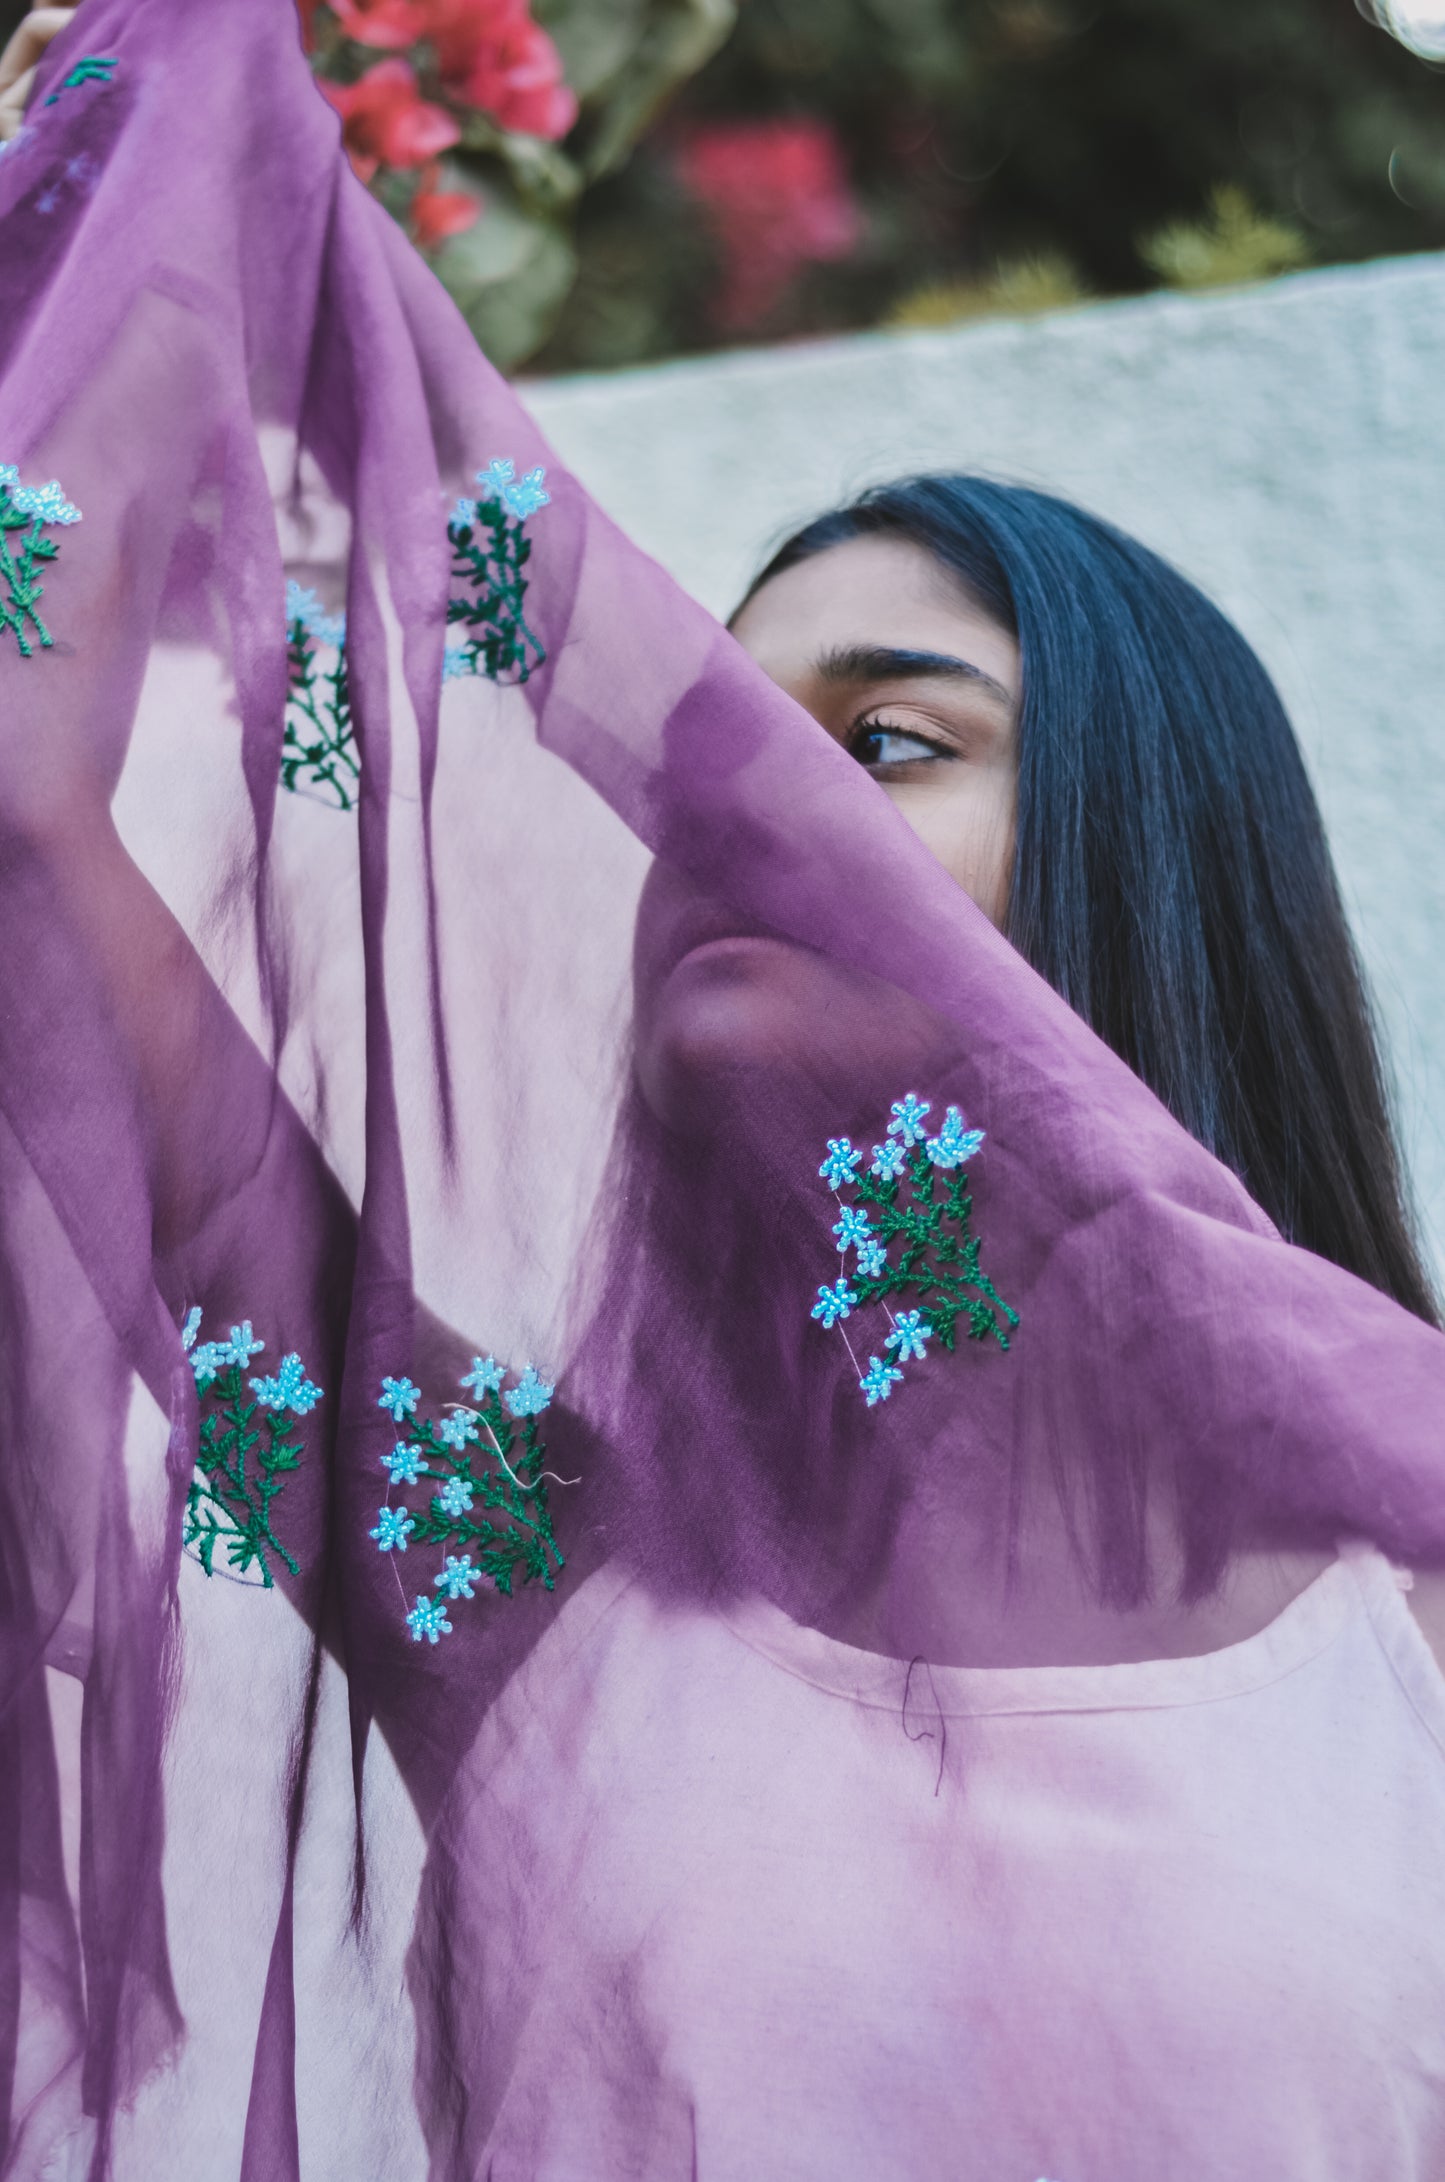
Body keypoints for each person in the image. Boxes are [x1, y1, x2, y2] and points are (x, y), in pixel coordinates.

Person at [4, 0, 1445, 2175]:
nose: (742, 824)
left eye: (880, 744)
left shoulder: (1412, 1611)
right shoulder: (520, 1565)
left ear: (1157, 842)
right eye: (707, 764)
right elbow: (42, 839)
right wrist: (156, 84)